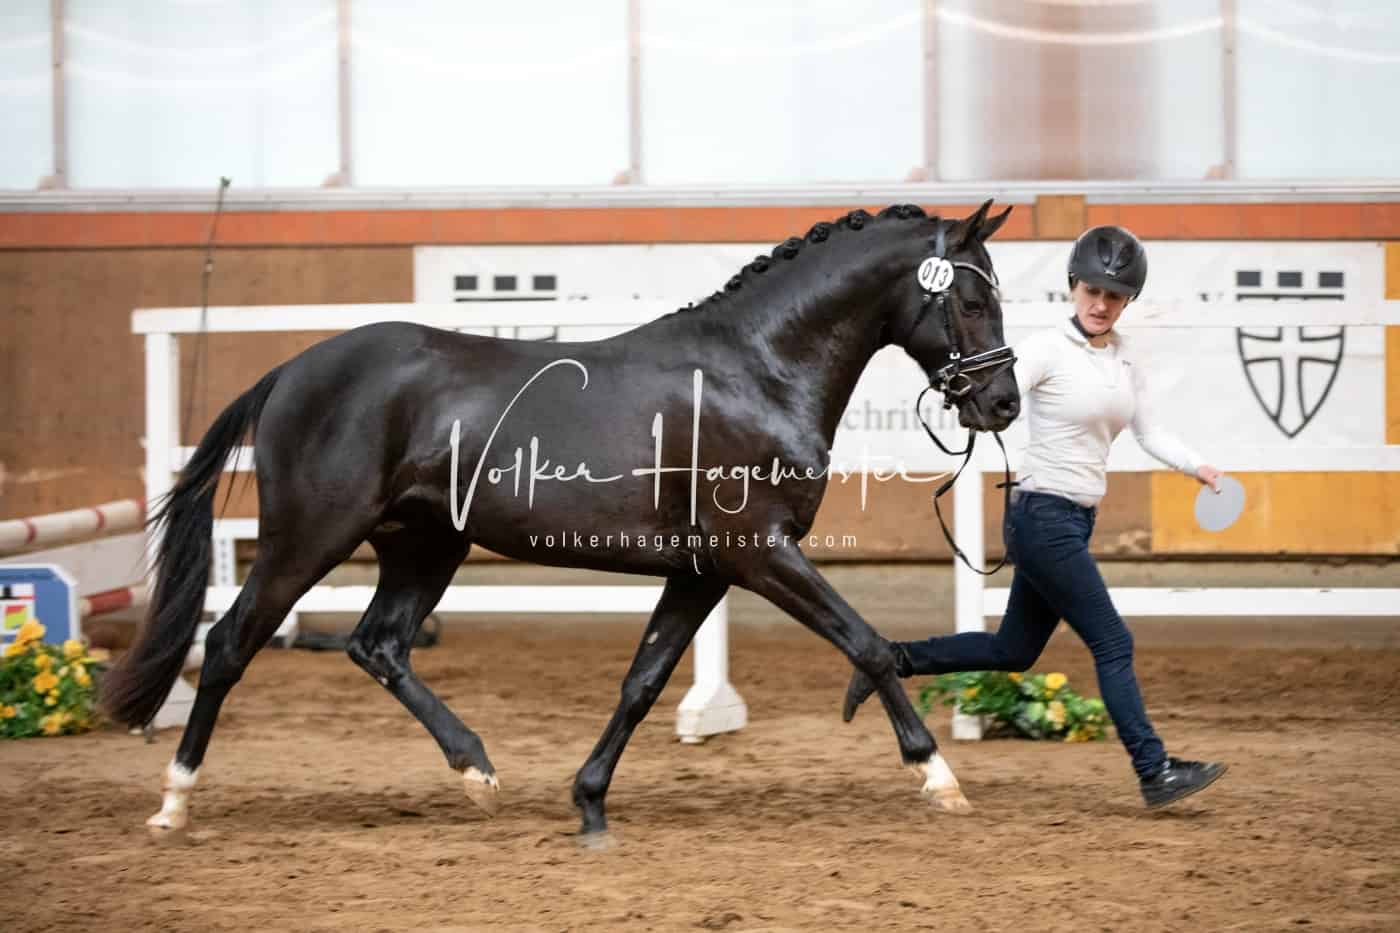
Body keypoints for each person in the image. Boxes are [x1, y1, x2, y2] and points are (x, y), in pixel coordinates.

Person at [844, 225, 1228, 809]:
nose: (1101, 304)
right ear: (1073, 286)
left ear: (1128, 301)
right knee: (1113, 642)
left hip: (1073, 521)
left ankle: (889, 659)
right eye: (1092, 290)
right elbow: (992, 389)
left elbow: (1150, 432)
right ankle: (1155, 771)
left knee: (1014, 650)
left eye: (1115, 296)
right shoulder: (1046, 350)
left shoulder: (1125, 360)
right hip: (1042, 518)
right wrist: (969, 402)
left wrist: (1199, 467)